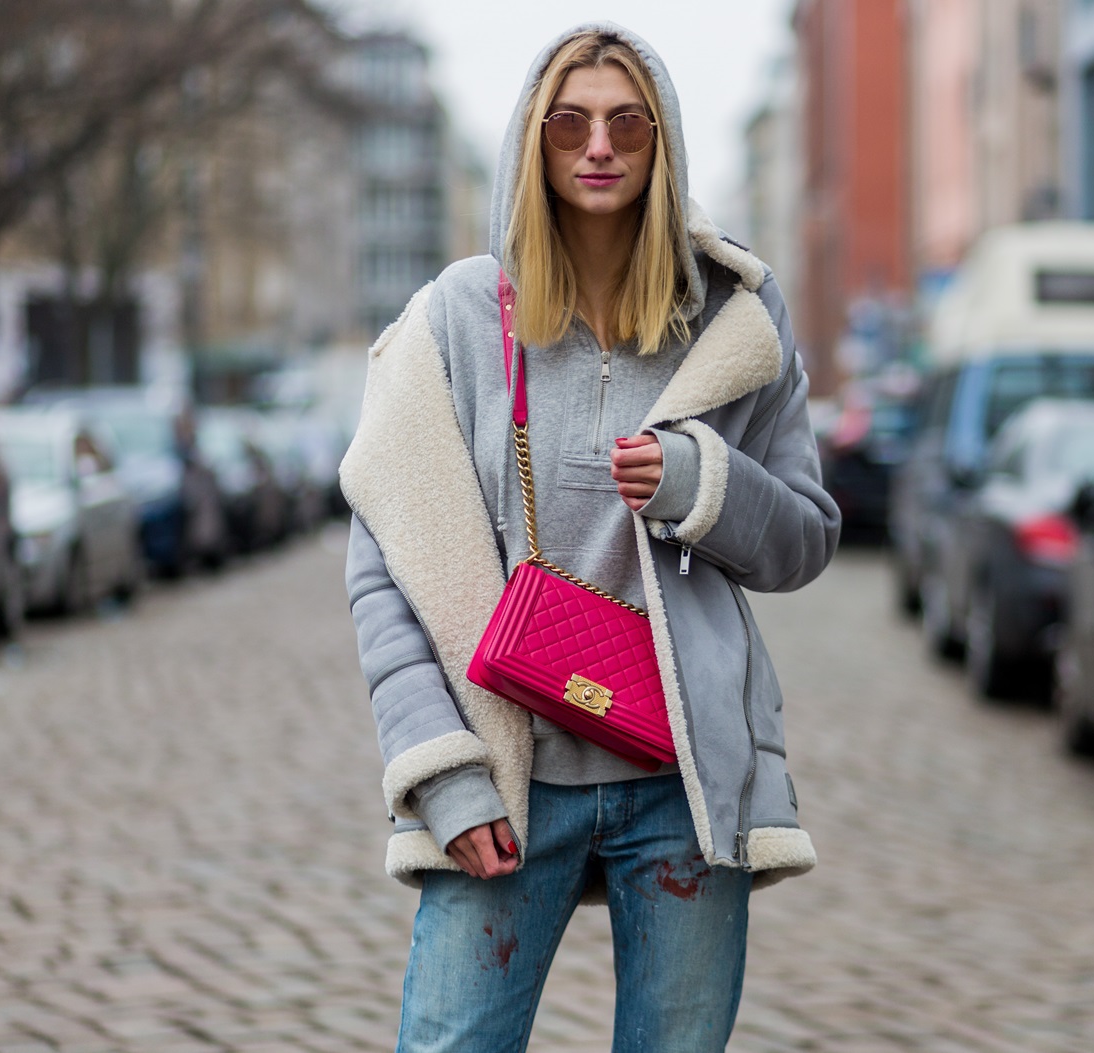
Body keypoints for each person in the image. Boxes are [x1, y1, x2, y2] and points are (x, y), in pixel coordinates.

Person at [341, 22, 840, 1053]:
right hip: (505, 773)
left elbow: (805, 539)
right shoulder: (458, 317)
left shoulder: (733, 319)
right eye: (569, 123)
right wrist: (444, 778)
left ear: (663, 145)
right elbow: (385, 566)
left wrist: (707, 484)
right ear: (536, 142)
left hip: (681, 781)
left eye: (627, 123)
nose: (598, 146)